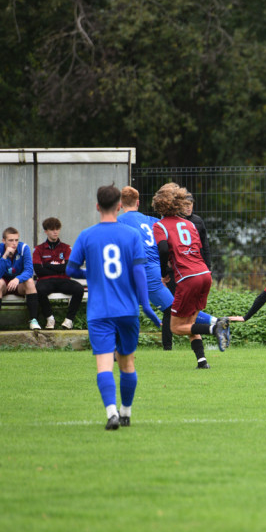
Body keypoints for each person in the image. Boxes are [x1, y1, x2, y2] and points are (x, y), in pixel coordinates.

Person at [66, 184, 161, 430]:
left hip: (100, 312)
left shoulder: (87, 235)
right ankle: (126, 412)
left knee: (104, 364)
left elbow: (70, 270)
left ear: (97, 206)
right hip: (127, 310)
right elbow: (139, 271)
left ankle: (111, 414)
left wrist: (90, 272)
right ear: (119, 206)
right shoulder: (131, 235)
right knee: (127, 363)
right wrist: (146, 305)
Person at [117, 185, 218, 351]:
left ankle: (215, 323)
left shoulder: (118, 222)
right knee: (130, 307)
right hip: (156, 268)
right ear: (138, 202)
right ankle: (120, 348)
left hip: (142, 271)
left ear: (120, 204)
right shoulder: (151, 220)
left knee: (173, 310)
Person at [152, 182, 230, 368]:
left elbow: (163, 248)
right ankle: (202, 361)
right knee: (191, 322)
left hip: (188, 278)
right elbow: (197, 249)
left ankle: (215, 328)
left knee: (176, 327)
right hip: (204, 274)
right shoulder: (189, 224)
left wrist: (164, 273)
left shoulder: (160, 226)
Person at [33, 217, 86, 329]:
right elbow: (38, 270)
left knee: (79, 289)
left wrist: (47, 265)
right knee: (39, 289)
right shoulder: (38, 249)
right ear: (46, 231)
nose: (55, 231)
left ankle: (69, 320)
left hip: (63, 280)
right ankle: (50, 319)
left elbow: (67, 268)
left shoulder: (66, 248)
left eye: (57, 229)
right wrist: (59, 266)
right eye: (52, 229)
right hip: (46, 281)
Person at [0, 227, 40, 332]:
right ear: (4, 241)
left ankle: (34, 320)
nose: (14, 243)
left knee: (30, 281)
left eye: (16, 240)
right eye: (11, 240)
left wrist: (18, 279)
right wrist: (5, 255)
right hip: (4, 284)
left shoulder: (24, 248)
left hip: (19, 284)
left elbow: (29, 271)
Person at [182, 192, 211, 271]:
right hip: (182, 263)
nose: (188, 207)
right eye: (185, 204)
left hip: (197, 262)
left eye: (190, 203)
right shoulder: (175, 221)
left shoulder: (198, 221)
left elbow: (205, 245)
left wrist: (208, 267)